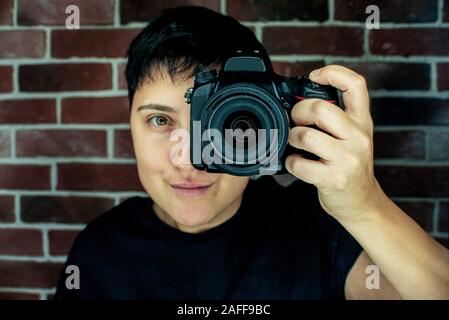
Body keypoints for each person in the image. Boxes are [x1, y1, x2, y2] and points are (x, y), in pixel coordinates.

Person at [54, 6, 449, 300]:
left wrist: (365, 207)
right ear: (131, 126)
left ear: (266, 120)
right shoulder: (100, 249)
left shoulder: (317, 228)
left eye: (222, 123)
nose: (189, 157)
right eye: (160, 121)